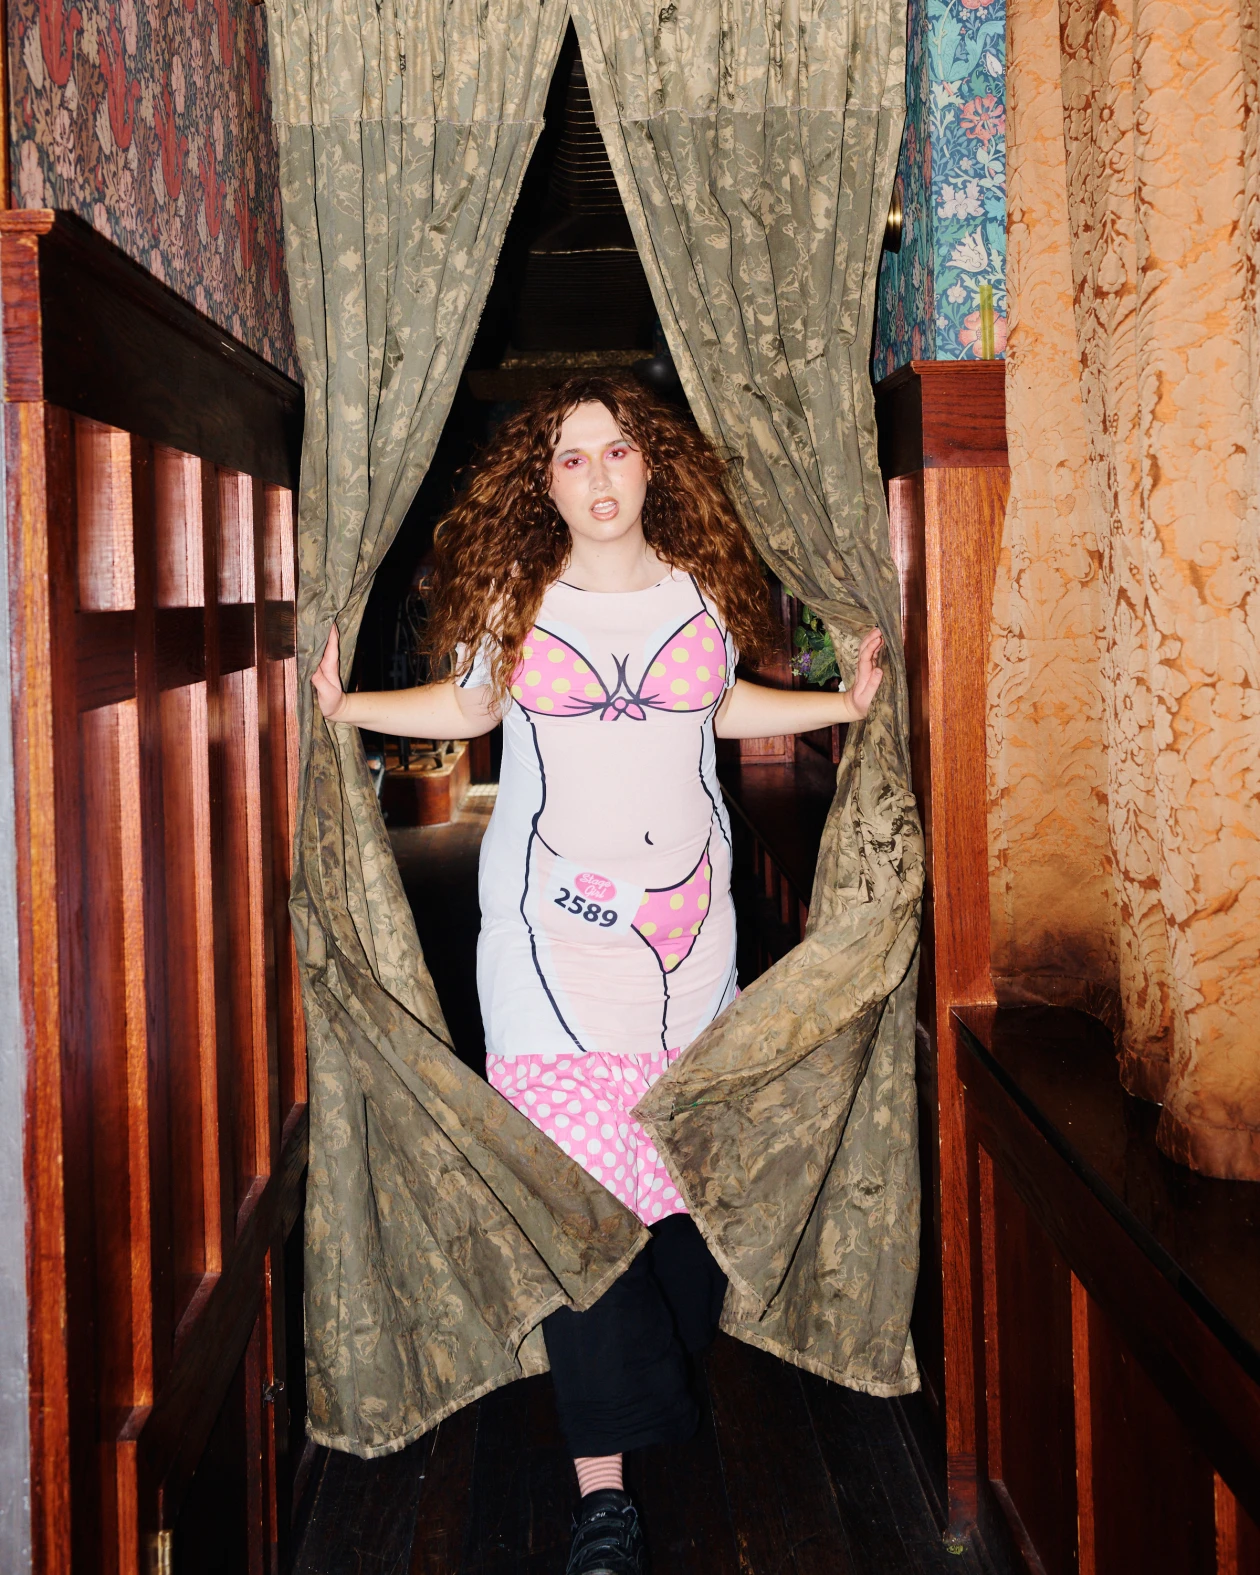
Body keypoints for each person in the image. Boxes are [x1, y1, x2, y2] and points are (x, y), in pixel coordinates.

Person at [312, 376, 884, 1575]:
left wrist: (842, 698)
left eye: (617, 449)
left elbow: (719, 706)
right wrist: (343, 705)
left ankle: (646, 1372)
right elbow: (469, 703)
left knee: (673, 1210)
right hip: (549, 954)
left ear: (652, 464)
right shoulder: (520, 601)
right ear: (545, 484)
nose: (599, 475)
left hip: (692, 954)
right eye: (571, 458)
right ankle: (604, 1501)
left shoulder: (698, 591)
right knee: (578, 1207)